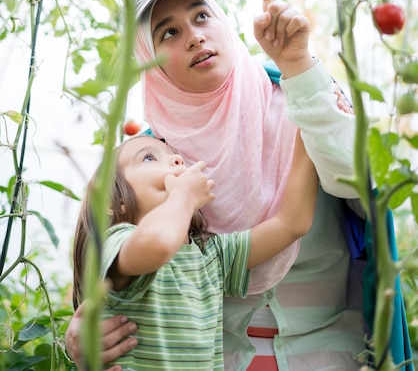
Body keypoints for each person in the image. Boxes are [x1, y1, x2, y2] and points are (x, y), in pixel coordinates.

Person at [65, 0, 412, 371]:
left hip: (333, 351)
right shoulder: (152, 162)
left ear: (224, 25)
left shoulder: (303, 96)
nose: (194, 36)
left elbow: (355, 182)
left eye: (202, 16)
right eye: (169, 33)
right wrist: (82, 332)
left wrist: (299, 69)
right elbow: (113, 274)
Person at [72, 132, 318, 370]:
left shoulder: (209, 257)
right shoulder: (114, 242)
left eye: (175, 156)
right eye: (149, 157)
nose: (177, 160)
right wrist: (184, 197)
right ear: (112, 202)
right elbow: (158, 245)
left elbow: (292, 223)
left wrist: (306, 127)